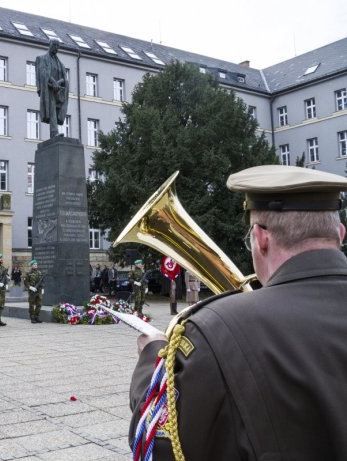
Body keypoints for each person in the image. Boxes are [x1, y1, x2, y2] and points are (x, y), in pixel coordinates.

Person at [129, 165, 347, 461]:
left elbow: (159, 444)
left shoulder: (213, 331)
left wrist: (151, 358)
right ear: (341, 233)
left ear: (261, 238)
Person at [35, 38, 69, 138]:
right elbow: (43, 73)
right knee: (52, 109)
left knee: (57, 110)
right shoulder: (42, 59)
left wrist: (58, 83)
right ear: (49, 45)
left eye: (58, 46)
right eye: (54, 45)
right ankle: (54, 133)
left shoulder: (61, 64)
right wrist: (53, 82)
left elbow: (64, 78)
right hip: (48, 89)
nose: (56, 48)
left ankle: (55, 132)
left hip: (58, 91)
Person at [24, 259, 43, 323]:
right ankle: (32, 318)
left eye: (36, 264)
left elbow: (41, 282)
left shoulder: (39, 272)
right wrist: (30, 287)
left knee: (39, 304)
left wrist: (42, 288)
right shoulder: (28, 273)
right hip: (32, 291)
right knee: (31, 305)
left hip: (38, 291)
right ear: (31, 265)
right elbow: (26, 282)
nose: (36, 265)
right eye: (34, 264)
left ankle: (36, 316)